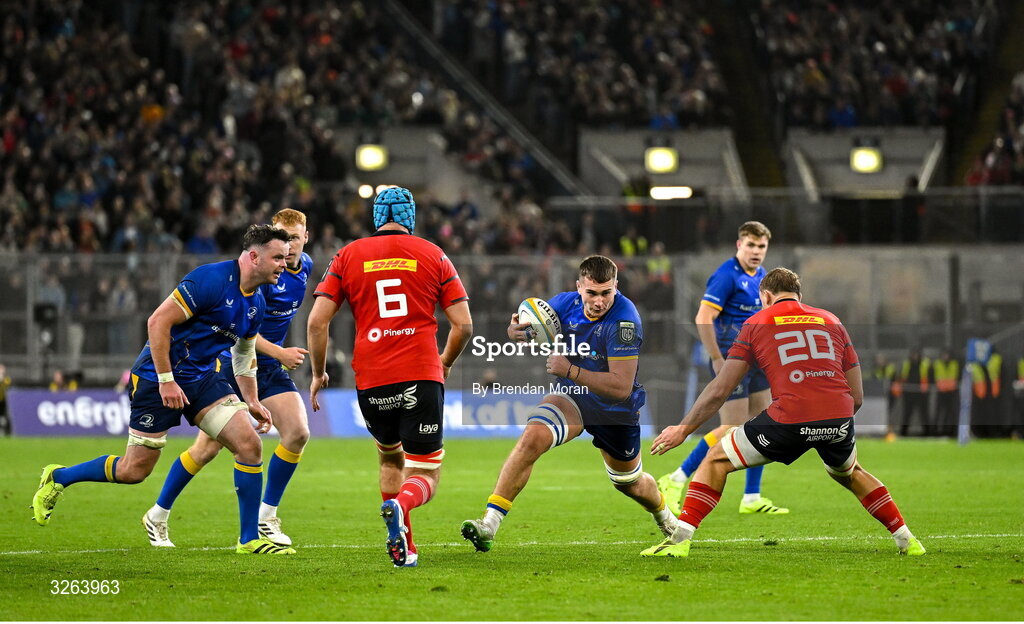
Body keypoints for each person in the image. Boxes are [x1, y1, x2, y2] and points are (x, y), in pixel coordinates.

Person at [31, 225, 295, 555]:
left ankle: (248, 539)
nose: (284, 264)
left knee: (249, 445)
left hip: (201, 378)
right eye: (278, 257)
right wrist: (166, 379)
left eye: (286, 258)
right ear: (254, 256)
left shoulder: (256, 302)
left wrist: (252, 399)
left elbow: (243, 353)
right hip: (157, 378)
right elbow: (157, 322)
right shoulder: (210, 280)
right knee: (133, 471)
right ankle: (60, 476)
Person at [642, 268, 925, 558]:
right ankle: (907, 539)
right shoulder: (832, 320)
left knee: (715, 459)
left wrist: (683, 428)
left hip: (790, 417)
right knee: (851, 473)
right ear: (799, 296)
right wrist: (828, 425)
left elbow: (720, 389)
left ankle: (678, 542)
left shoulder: (756, 322)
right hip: (839, 417)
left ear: (765, 296)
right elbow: (858, 397)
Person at [461, 255, 681, 553]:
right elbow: (529, 329)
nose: (599, 301)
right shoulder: (564, 304)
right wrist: (515, 332)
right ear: (579, 287)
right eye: (592, 293)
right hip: (572, 398)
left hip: (614, 412)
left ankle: (665, 516)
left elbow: (620, 387)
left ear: (616, 286)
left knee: (630, 483)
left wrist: (570, 370)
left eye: (607, 293)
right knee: (532, 437)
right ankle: (490, 523)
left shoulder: (625, 321)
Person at [307, 187, 473, 568]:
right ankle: (400, 505)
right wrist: (444, 361)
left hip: (371, 378)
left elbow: (317, 321)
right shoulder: (434, 254)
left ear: (377, 218)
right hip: (419, 372)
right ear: (411, 216)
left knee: (389, 459)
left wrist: (318, 373)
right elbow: (463, 325)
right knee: (425, 472)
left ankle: (406, 548)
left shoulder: (348, 255)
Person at [142, 209, 314, 548]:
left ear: (306, 237)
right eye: (282, 237)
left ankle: (266, 516)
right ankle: (158, 513)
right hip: (235, 363)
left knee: (297, 433)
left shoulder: (303, 267)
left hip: (268, 368)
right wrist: (279, 352)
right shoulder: (263, 273)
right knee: (206, 450)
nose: (289, 246)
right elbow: (242, 334)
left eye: (295, 238)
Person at [657, 221, 788, 515]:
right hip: (731, 359)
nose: (756, 251)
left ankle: (752, 497)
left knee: (762, 424)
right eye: (751, 245)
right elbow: (703, 317)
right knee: (730, 427)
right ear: (738, 245)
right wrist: (716, 357)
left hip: (757, 362)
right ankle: (676, 478)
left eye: (761, 246)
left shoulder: (763, 276)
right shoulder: (727, 276)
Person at [898, 348, 931, 436]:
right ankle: (903, 433)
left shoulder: (925, 363)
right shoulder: (907, 364)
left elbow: (930, 377)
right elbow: (902, 377)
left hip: (922, 393)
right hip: (909, 393)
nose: (915, 356)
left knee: (924, 414)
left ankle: (928, 433)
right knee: (907, 413)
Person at [932, 348, 961, 437]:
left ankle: (952, 432)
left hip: (952, 392)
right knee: (939, 413)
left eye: (947, 354)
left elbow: (959, 376)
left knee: (952, 413)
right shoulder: (937, 364)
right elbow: (932, 376)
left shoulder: (955, 364)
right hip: (941, 392)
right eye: (944, 354)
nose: (945, 356)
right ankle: (935, 432)